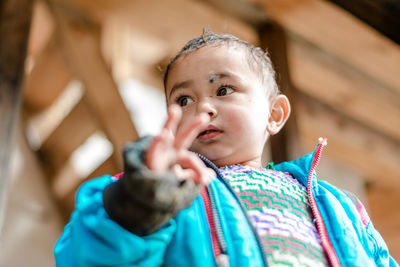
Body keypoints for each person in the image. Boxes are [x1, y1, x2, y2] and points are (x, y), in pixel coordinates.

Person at [54, 32, 398, 267]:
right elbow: (84, 256)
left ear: (274, 114)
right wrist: (137, 203)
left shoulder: (341, 207)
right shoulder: (162, 190)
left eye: (223, 90)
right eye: (183, 99)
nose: (202, 108)